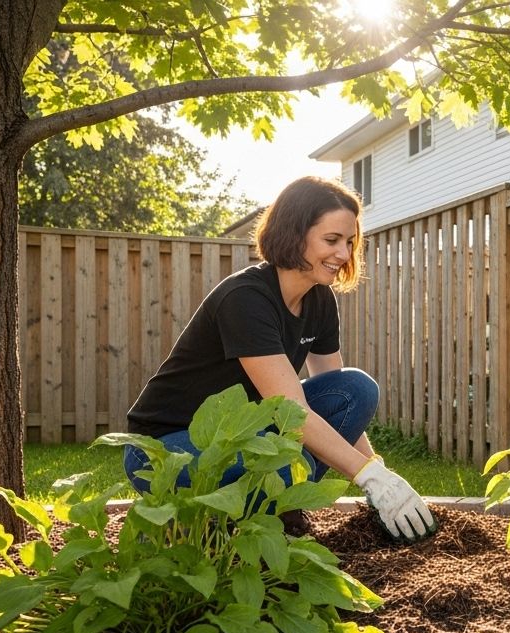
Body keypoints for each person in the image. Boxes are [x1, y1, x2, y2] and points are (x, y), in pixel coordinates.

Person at [123, 176, 437, 543]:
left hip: (243, 436)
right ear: (294, 233)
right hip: (166, 450)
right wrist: (370, 477)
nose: (343, 254)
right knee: (286, 461)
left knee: (356, 388)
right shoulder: (245, 299)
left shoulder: (319, 300)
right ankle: (192, 523)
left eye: (350, 242)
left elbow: (339, 405)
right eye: (332, 240)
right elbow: (294, 411)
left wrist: (379, 473)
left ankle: (260, 514)